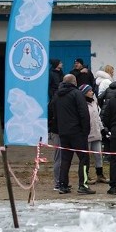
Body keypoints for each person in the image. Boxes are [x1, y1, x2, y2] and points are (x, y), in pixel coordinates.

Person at [52, 74, 96, 195]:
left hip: (63, 132)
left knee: (65, 159)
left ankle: (62, 185)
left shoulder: (57, 95)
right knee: (84, 159)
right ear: (74, 82)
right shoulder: (77, 94)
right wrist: (85, 131)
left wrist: (58, 129)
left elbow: (53, 112)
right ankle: (83, 184)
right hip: (77, 132)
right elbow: (84, 113)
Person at [80, 84, 108, 185]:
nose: (92, 92)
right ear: (84, 93)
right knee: (85, 157)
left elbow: (98, 118)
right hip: (87, 135)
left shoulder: (94, 103)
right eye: (90, 91)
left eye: (92, 90)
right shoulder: (82, 104)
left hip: (96, 133)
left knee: (98, 156)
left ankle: (100, 175)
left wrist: (102, 129)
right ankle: (85, 177)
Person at [48, 59, 64, 191]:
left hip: (64, 130)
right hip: (58, 130)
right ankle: (58, 182)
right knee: (59, 156)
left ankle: (62, 181)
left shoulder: (61, 73)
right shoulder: (55, 101)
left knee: (64, 156)